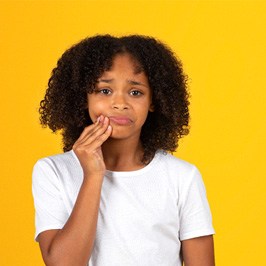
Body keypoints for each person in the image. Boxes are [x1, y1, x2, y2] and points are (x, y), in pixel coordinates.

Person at [32, 34, 215, 266]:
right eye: (104, 91)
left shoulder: (181, 177)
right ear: (83, 98)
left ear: (153, 101)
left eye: (135, 92)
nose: (120, 103)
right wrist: (93, 175)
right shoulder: (53, 171)